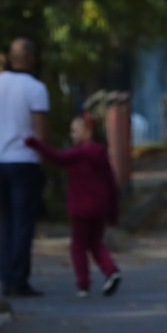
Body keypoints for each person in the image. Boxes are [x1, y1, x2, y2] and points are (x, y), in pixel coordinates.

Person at [0, 38, 49, 297]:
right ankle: (19, 279)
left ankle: (6, 276)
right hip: (24, 161)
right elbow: (40, 129)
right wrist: (43, 160)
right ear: (30, 57)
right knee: (23, 221)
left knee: (5, 220)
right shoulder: (36, 88)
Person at [26, 112, 122, 298]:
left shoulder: (78, 154)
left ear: (87, 132)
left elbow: (56, 157)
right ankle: (111, 271)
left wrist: (35, 143)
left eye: (75, 131)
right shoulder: (100, 154)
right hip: (99, 208)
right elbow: (111, 183)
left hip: (80, 208)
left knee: (78, 245)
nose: (72, 135)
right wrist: (112, 211)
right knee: (95, 243)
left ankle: (83, 283)